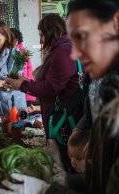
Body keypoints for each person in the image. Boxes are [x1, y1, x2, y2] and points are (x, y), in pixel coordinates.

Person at [0, 0, 119, 194]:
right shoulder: (116, 92)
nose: (75, 53)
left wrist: (46, 193)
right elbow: (106, 179)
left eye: (82, 37)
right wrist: (63, 183)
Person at [5, 14, 84, 173]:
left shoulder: (63, 51)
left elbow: (51, 88)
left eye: (42, 35)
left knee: (69, 162)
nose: (41, 40)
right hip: (63, 114)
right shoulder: (62, 49)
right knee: (66, 161)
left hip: (64, 118)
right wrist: (26, 82)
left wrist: (24, 85)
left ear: (51, 32)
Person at [10, 28, 36, 106]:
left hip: (24, 93)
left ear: (15, 41)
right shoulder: (19, 51)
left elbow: (22, 75)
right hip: (24, 91)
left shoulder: (19, 53)